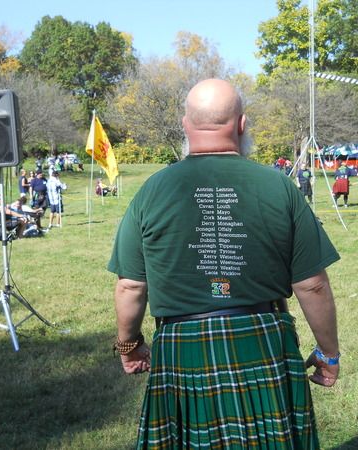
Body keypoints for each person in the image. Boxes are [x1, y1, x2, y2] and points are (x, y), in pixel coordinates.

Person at [108, 79, 341, 449]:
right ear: (242, 124)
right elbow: (312, 284)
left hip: (181, 348)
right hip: (263, 341)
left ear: (186, 125)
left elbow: (130, 286)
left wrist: (129, 345)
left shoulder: (151, 191)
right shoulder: (280, 186)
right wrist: (328, 352)